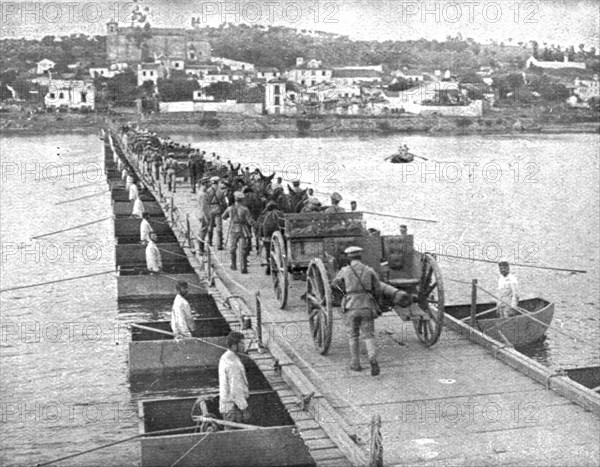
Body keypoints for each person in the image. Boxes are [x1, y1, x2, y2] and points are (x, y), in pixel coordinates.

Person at [331, 246, 382, 376]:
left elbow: (334, 284)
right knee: (369, 335)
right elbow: (378, 288)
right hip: (366, 306)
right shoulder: (369, 270)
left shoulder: (345, 270)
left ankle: (355, 363)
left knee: (353, 336)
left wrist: (344, 293)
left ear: (349, 258)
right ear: (360, 257)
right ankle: (372, 359)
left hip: (350, 306)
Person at [218, 331, 250, 429]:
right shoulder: (233, 364)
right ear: (233, 346)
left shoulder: (225, 357)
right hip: (233, 408)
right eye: (241, 343)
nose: (244, 346)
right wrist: (244, 409)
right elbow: (236, 390)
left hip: (226, 405)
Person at [222, 192, 256, 274]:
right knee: (243, 249)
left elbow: (223, 217)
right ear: (242, 200)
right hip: (243, 230)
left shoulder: (230, 208)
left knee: (233, 248)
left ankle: (233, 265)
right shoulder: (245, 209)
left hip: (233, 229)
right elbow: (250, 221)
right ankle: (243, 267)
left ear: (234, 199)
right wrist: (256, 225)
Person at [200, 176, 228, 250]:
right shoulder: (221, 191)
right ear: (218, 182)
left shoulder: (208, 191)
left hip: (210, 210)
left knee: (210, 226)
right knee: (219, 227)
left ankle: (210, 241)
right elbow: (224, 203)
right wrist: (225, 209)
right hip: (218, 210)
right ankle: (219, 244)